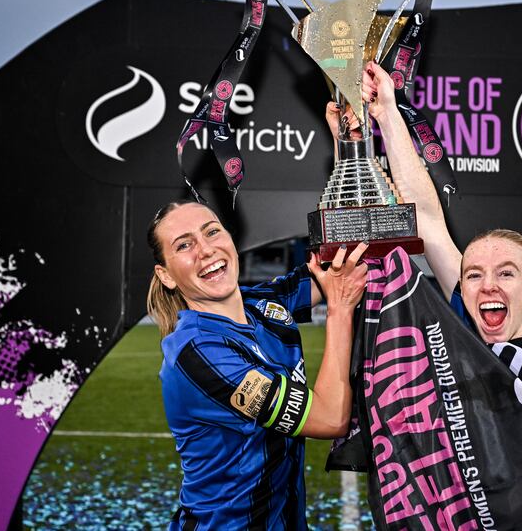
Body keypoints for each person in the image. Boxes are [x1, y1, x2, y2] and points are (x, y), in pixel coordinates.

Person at [356, 60, 522, 530]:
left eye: (505, 273)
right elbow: (427, 219)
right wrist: (387, 111)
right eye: (473, 275)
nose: (487, 285)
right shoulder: (478, 335)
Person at [146, 199, 368, 530]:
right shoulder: (197, 353)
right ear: (166, 275)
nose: (206, 250)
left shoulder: (261, 303)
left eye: (212, 232)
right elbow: (331, 417)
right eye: (184, 245)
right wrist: (340, 310)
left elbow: (334, 266)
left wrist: (349, 155)